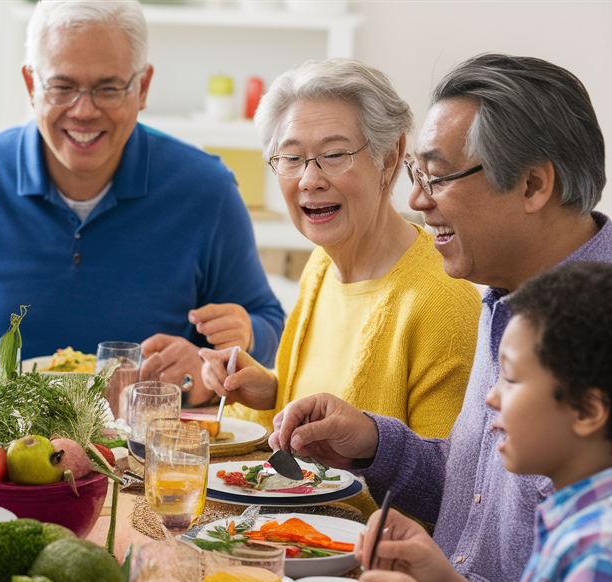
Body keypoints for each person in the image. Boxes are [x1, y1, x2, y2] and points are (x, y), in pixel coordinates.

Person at [270, 53, 612, 582]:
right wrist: (374, 442)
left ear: (534, 184)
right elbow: (482, 500)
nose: (416, 200)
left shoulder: (610, 344)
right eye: (418, 175)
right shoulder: (501, 293)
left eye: (436, 176)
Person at [0, 0, 285, 406]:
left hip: (144, 451)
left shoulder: (206, 189)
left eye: (108, 88)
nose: (84, 111)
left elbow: (268, 323)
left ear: (142, 87)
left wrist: (217, 359)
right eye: (62, 87)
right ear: (32, 85)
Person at [355, 262, 612, 582]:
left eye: (513, 379)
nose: (491, 397)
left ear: (587, 410)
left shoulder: (601, 550)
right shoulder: (582, 518)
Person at [199, 59, 479, 441]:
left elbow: (440, 482)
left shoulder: (444, 302)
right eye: (292, 158)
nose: (309, 180)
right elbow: (303, 432)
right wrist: (269, 394)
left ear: (391, 157)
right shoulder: (321, 267)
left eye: (333, 155)